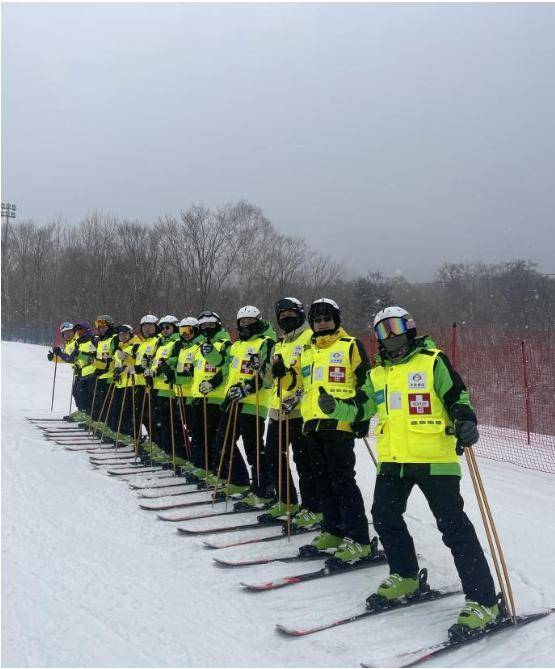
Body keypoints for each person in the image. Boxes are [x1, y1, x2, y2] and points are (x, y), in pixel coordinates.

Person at [323, 305, 499, 633]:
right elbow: (362, 407)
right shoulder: (377, 374)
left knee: (453, 526)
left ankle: (484, 601)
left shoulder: (432, 360)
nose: (389, 336)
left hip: (435, 458)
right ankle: (405, 577)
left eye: (393, 327)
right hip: (394, 460)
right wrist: (337, 408)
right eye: (381, 331)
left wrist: (465, 418)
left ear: (409, 327)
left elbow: (458, 394)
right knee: (385, 516)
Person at [283, 298, 373, 563]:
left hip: (339, 423)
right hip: (311, 423)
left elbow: (366, 382)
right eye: (318, 319)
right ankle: (333, 529)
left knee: (343, 480)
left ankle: (359, 538)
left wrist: (361, 414)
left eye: (327, 318)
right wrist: (283, 373)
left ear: (336, 320)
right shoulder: (308, 350)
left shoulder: (350, 346)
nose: (322, 323)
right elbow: (295, 383)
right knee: (322, 480)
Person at [258, 297, 315, 523]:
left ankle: (313, 506)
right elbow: (269, 380)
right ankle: (286, 500)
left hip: (300, 411)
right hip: (277, 410)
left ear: (300, 313)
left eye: (291, 313)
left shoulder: (310, 338)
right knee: (274, 457)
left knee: (305, 462)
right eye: (282, 316)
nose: (286, 318)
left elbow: (312, 376)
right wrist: (267, 368)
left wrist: (298, 397)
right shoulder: (279, 344)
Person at [214, 305, 277, 503]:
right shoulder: (236, 346)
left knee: (253, 447)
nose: (246, 325)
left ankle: (264, 489)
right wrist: (227, 398)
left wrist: (247, 388)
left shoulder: (266, 342)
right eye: (243, 322)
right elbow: (231, 374)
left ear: (258, 321)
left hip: (254, 401)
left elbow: (267, 375)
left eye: (250, 321)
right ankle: (239, 480)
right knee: (222, 442)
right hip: (234, 400)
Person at [190, 311, 232, 483]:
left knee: (214, 438)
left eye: (211, 325)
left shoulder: (224, 344)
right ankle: (202, 467)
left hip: (217, 398)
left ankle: (218, 471)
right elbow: (197, 371)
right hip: (200, 397)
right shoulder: (199, 347)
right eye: (203, 326)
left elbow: (228, 370)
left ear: (218, 325)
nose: (207, 329)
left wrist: (213, 383)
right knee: (199, 435)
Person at [146, 315, 183, 467]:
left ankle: (174, 453)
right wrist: (149, 371)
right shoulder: (160, 343)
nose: (165, 330)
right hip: (156, 387)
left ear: (175, 327)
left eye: (168, 327)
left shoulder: (177, 342)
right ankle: (162, 449)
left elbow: (172, 362)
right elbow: (154, 362)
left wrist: (160, 370)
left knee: (170, 424)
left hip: (168, 389)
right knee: (158, 421)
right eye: (162, 327)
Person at [171, 317, 203, 472]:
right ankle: (188, 456)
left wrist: (176, 376)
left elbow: (191, 372)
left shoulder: (198, 347)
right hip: (181, 392)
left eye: (187, 330)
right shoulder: (183, 347)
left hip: (192, 393)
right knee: (183, 427)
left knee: (193, 429)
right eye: (181, 331)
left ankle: (195, 459)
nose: (184, 334)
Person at [133, 314, 160, 458]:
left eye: (150, 327)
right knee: (140, 415)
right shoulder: (142, 344)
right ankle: (148, 440)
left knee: (151, 416)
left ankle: (154, 442)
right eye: (144, 327)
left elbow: (155, 360)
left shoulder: (157, 341)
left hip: (150, 385)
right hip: (139, 384)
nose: (147, 329)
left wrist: (146, 367)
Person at [111, 324, 142, 442]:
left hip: (131, 383)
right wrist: (116, 372)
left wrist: (125, 365)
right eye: (120, 335)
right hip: (120, 383)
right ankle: (124, 434)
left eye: (125, 334)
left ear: (130, 334)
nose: (122, 336)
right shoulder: (120, 346)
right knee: (119, 410)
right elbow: (117, 364)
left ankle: (134, 435)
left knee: (130, 412)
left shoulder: (135, 345)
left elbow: (136, 361)